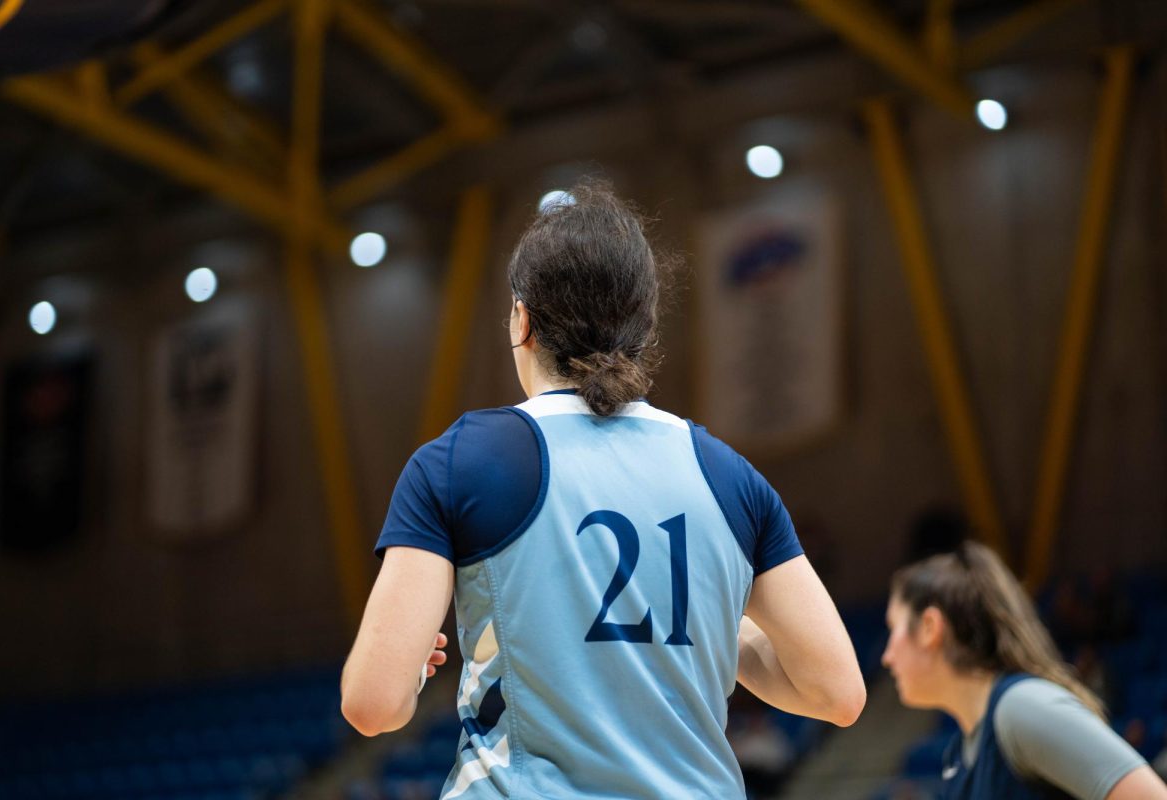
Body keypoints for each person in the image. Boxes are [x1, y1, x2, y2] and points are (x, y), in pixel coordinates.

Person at [340, 181, 864, 798]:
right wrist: (723, 632)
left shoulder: (459, 461)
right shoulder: (730, 476)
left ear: (522, 321)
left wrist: (402, 666)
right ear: (641, 329)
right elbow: (837, 694)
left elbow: (374, 707)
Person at [882, 541, 1167, 800]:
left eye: (893, 629)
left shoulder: (1021, 707)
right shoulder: (962, 753)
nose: (886, 657)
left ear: (930, 627)